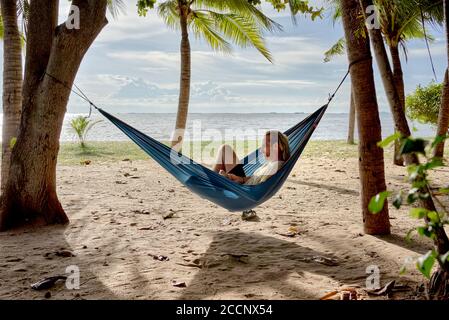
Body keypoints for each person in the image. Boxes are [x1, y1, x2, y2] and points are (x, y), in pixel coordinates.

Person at [212, 130, 290, 185]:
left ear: (276, 146)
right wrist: (239, 178)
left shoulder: (275, 166)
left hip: (242, 190)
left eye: (264, 146)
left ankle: (210, 181)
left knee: (225, 149)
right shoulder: (272, 164)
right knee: (225, 149)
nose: (261, 151)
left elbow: (258, 186)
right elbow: (254, 179)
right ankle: (212, 180)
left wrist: (231, 179)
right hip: (243, 183)